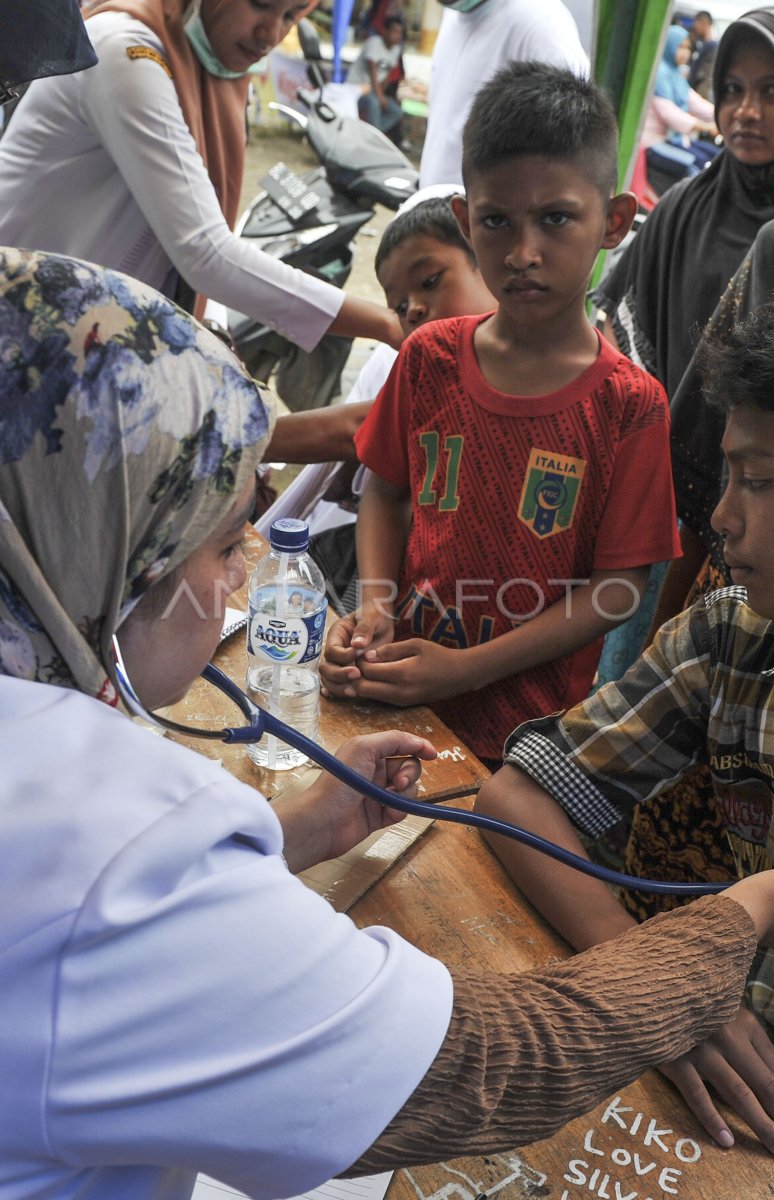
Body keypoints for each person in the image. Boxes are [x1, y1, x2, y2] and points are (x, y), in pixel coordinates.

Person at [6, 245, 774, 1192]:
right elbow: (479, 1071)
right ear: (113, 552)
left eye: (756, 480)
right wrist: (748, 919)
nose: (241, 579)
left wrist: (277, 833)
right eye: (225, 543)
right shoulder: (95, 838)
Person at [475, 288, 774, 1153]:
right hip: (735, 1084)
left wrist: (753, 915)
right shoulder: (733, 635)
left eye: (757, 481)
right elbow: (516, 798)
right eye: (728, 475)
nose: (722, 515)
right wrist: (660, 985)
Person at [320, 63, 681, 767]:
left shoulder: (631, 407)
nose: (523, 253)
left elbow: (616, 591)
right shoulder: (427, 360)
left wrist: (470, 667)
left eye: (555, 218)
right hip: (401, 689)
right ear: (465, 220)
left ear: (612, 222)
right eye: (496, 221)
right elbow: (385, 493)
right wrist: (371, 608)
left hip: (523, 742)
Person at [0, 0, 402, 359]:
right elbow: (204, 251)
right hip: (25, 326)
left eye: (292, 14)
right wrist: (385, 324)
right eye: (260, 5)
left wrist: (211, 324)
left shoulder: (212, 69)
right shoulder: (124, 50)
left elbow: (196, 236)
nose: (272, 33)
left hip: (84, 328)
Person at [260, 184, 494, 554]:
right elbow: (380, 493)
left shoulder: (537, 370)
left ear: (492, 259)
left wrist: (233, 437)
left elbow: (352, 427)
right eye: (399, 307)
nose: (413, 310)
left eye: (430, 282)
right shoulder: (427, 372)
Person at [595, 6, 774, 401]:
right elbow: (614, 342)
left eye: (773, 91)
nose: (746, 111)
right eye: (733, 89)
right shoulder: (682, 209)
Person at [418, 0, 588, 189]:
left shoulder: (539, 22)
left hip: (482, 213)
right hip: (441, 206)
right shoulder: (454, 14)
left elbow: (570, 141)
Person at [641, 24, 718, 175]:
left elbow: (694, 101)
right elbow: (670, 114)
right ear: (668, 45)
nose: (685, 53)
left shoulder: (676, 74)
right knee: (698, 170)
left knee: (716, 158)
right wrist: (705, 127)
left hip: (675, 139)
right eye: (680, 47)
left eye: (688, 48)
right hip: (654, 143)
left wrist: (722, 113)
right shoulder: (659, 74)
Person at [347, 13, 404, 139]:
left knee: (397, 112)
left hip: (373, 91)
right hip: (357, 89)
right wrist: (380, 97)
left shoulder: (396, 49)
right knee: (374, 103)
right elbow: (372, 72)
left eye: (400, 32)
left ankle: (372, 135)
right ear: (385, 31)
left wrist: (381, 95)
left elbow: (387, 75)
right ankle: (374, 137)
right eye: (395, 31)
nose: (398, 36)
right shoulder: (374, 43)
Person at [689, 9, 718, 99]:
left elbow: (707, 76)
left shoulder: (712, 47)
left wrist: (700, 96)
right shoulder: (699, 43)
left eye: (697, 23)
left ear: (704, 23)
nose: (695, 27)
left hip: (699, 93)